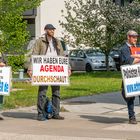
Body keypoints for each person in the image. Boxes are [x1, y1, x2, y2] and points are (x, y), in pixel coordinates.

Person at [27, 24, 70, 121]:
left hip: (56, 70)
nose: (52, 31)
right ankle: (40, 113)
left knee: (56, 92)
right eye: (50, 29)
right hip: (43, 70)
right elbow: (34, 55)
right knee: (42, 91)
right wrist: (30, 68)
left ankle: (56, 113)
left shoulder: (57, 41)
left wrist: (68, 68)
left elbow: (63, 56)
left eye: (53, 30)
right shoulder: (40, 41)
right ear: (46, 30)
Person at [120, 30, 140, 124]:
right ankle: (132, 117)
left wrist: (134, 56)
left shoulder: (137, 47)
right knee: (129, 97)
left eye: (136, 37)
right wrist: (136, 57)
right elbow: (128, 60)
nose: (135, 39)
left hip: (138, 75)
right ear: (128, 37)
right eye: (133, 37)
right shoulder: (124, 49)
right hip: (129, 76)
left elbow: (133, 59)